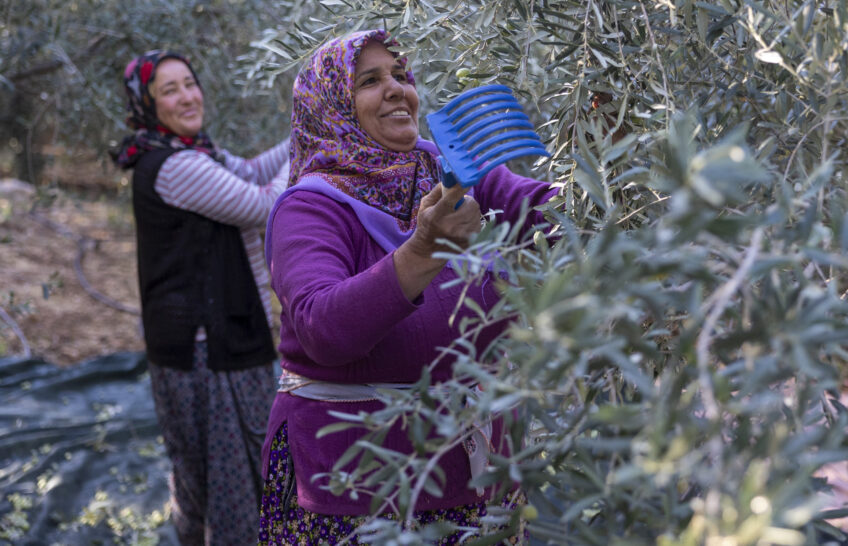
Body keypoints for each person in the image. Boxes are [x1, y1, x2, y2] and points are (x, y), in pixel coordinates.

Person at [257, 29, 557, 545]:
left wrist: (609, 160)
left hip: (476, 479)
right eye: (370, 81)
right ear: (330, 106)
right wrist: (424, 249)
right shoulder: (310, 207)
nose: (396, 89)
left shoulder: (455, 171)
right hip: (354, 487)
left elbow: (553, 218)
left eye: (402, 76)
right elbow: (322, 329)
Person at [111, 50, 290, 545]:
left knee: (206, 478)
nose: (187, 96)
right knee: (231, 482)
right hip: (207, 350)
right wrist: (314, 141)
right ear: (147, 104)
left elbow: (253, 172)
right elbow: (263, 205)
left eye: (189, 83)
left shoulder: (194, 151)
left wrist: (306, 130)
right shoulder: (174, 166)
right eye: (169, 90)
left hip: (206, 342)